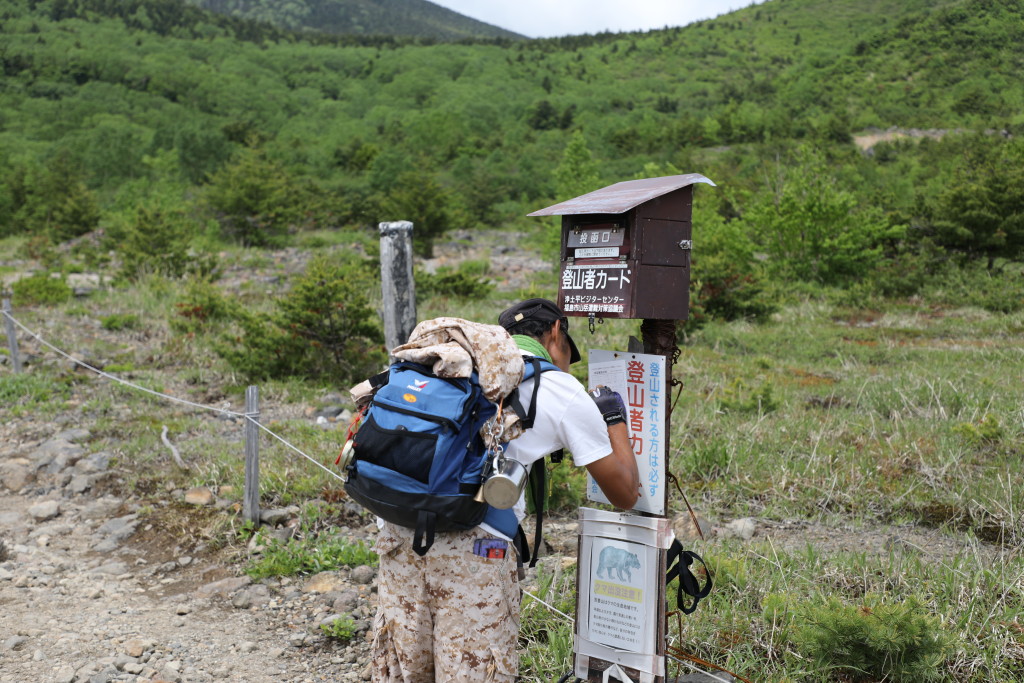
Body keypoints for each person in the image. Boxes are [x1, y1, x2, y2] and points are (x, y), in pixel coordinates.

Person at [371, 298, 641, 683]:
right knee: (475, 670)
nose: (567, 363)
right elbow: (625, 493)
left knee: (406, 668)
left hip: (399, 531)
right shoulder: (558, 387)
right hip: (477, 548)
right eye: (568, 353)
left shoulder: (452, 367)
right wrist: (612, 417)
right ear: (555, 332)